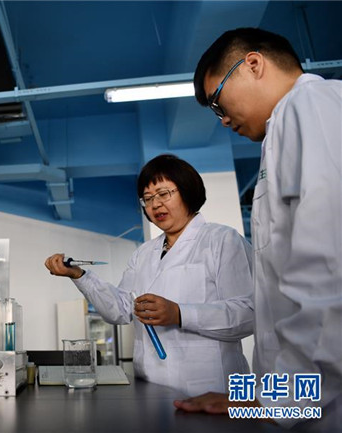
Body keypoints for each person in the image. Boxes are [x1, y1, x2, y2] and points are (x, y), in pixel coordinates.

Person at [174, 27, 342, 431]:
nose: (223, 119)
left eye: (218, 102)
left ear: (252, 64)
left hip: (318, 400)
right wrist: (263, 396)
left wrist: (277, 399)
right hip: (297, 399)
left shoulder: (312, 102)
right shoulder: (283, 128)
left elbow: (331, 263)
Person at [45, 154, 254, 396]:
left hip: (211, 389)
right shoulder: (144, 253)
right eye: (147, 198)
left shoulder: (222, 240)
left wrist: (179, 313)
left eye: (163, 194)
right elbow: (121, 309)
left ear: (187, 190)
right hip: (151, 388)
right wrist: (79, 275)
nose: (155, 205)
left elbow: (249, 314)